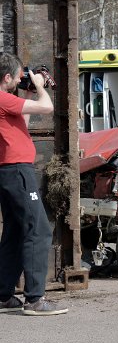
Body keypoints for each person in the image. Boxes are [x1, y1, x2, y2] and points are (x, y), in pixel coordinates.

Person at [0, 54, 68, 315]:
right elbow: (47, 108)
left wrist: (28, 92)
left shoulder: (8, 101)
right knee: (38, 230)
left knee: (16, 233)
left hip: (9, 171)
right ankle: (35, 300)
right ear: (7, 78)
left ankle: (3, 295)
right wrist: (39, 86)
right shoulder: (3, 98)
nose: (21, 79)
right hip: (17, 171)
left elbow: (24, 121)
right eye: (18, 76)